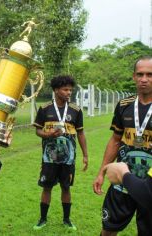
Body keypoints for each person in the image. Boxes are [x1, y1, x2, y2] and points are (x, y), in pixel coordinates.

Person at [93, 56, 152, 236]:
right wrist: (102, 171)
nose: (144, 79)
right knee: (108, 230)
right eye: (140, 74)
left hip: (149, 187)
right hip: (121, 182)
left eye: (150, 74)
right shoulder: (124, 105)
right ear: (134, 76)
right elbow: (115, 140)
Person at [33, 75, 88, 231]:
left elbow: (81, 134)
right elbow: (38, 130)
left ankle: (67, 219)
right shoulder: (44, 109)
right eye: (65, 89)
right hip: (49, 158)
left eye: (70, 90)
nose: (68, 92)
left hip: (68, 159)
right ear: (56, 90)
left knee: (66, 187)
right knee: (47, 187)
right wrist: (47, 135)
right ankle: (42, 219)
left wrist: (85, 155)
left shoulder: (76, 110)